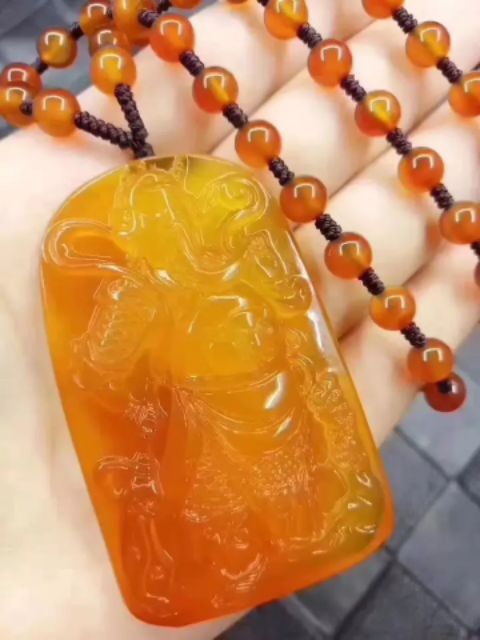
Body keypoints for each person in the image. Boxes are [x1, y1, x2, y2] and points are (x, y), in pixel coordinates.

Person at [0, 0, 478, 637]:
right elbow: (105, 366)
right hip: (210, 427)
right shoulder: (128, 286)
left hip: (270, 415)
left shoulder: (228, 251)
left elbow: (281, 313)